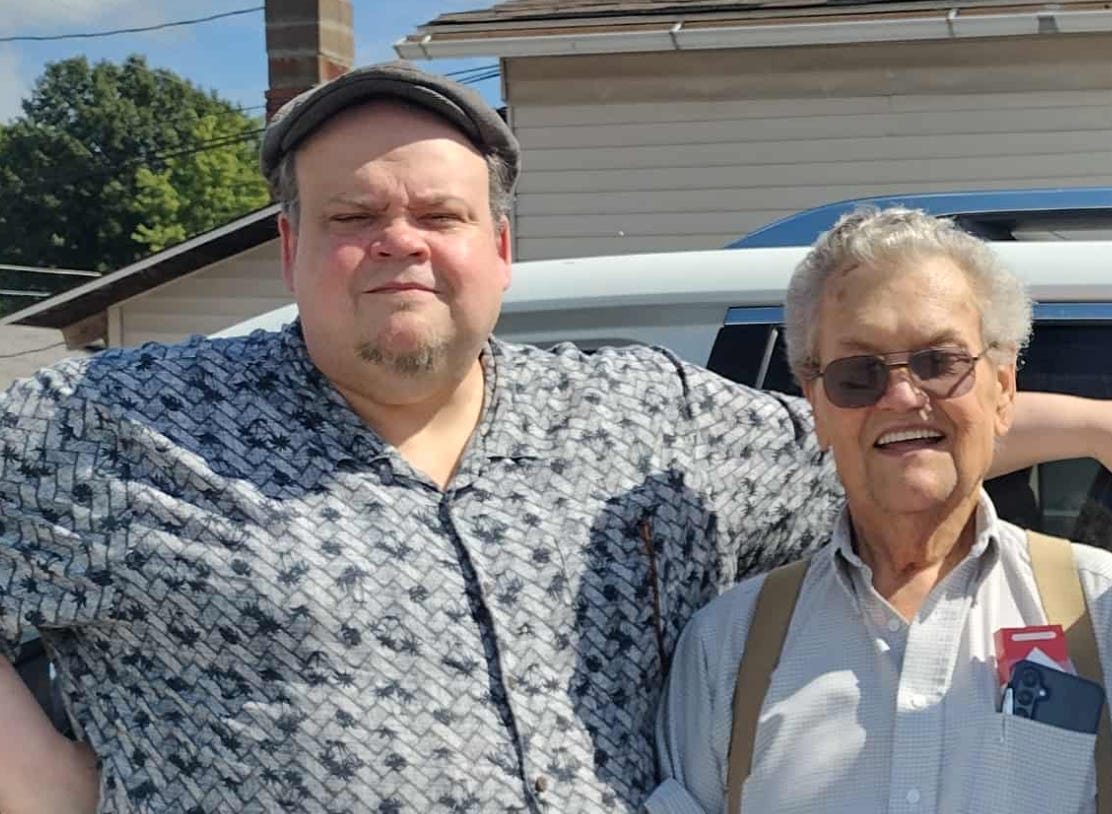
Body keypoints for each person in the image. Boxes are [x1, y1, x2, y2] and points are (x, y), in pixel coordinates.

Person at [0, 62, 1109, 814]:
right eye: (353, 217)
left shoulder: (637, 415)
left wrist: (1103, 426)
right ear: (289, 245)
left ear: (499, 246)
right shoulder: (120, 425)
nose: (400, 244)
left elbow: (883, 425)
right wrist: (40, 781)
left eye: (439, 216)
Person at [649, 207, 1112, 814]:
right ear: (816, 407)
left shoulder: (1099, 615)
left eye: (938, 361)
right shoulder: (726, 650)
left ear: (1003, 390)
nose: (901, 396)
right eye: (858, 374)